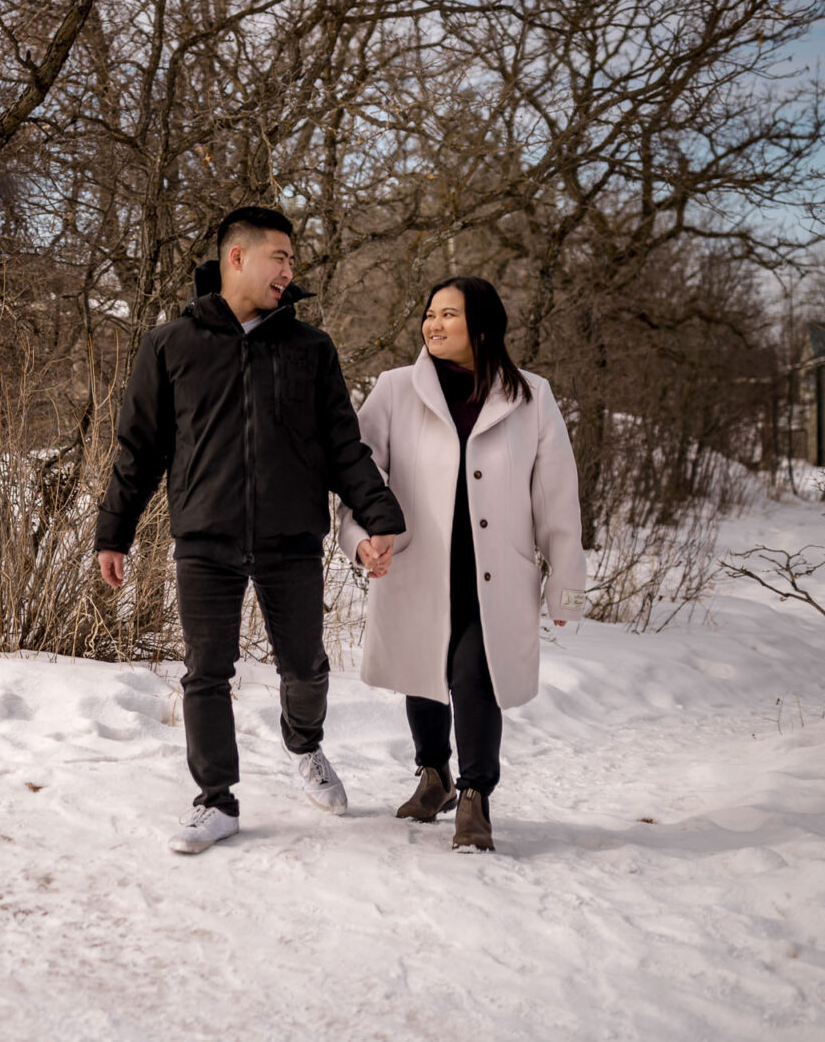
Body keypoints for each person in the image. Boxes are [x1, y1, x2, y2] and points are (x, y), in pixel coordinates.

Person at [96, 205, 405, 855]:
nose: (290, 270)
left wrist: (378, 518)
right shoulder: (171, 345)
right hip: (206, 536)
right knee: (206, 671)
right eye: (280, 257)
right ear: (237, 257)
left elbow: (344, 447)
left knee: (306, 666)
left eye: (292, 260)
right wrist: (113, 531)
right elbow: (139, 449)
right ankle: (216, 798)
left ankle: (305, 743)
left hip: (290, 536)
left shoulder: (310, 349)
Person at [336, 276, 589, 852]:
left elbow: (556, 497)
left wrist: (567, 588)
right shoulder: (396, 389)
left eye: (447, 314)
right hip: (419, 564)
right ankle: (433, 774)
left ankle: (475, 795)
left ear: (482, 326)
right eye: (429, 314)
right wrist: (360, 538)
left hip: (496, 575)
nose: (433, 324)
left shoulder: (531, 397)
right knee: (424, 673)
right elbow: (358, 472)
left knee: (474, 677)